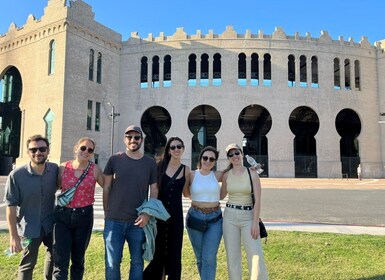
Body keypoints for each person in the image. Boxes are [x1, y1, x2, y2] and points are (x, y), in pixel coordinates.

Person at [103, 125, 159, 280]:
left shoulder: (150, 163)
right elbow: (106, 186)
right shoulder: (115, 159)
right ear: (124, 139)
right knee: (112, 263)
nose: (133, 140)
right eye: (129, 137)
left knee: (137, 262)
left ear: (142, 140)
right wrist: (106, 210)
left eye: (136, 137)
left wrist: (147, 213)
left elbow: (154, 190)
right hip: (114, 221)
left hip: (138, 222)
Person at [4, 134, 59, 280]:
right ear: (28, 152)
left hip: (51, 225)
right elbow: (10, 207)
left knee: (54, 258)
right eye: (33, 150)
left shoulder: (55, 169)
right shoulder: (16, 176)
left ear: (48, 151)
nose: (38, 153)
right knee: (27, 264)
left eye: (42, 149)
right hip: (29, 228)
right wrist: (14, 236)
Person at [52, 137, 104, 280]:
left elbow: (108, 187)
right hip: (62, 215)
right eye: (83, 148)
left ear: (92, 153)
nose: (86, 151)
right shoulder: (63, 167)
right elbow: (54, 187)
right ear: (76, 149)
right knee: (60, 259)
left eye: (90, 150)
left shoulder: (95, 170)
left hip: (84, 216)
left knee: (78, 258)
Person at [143, 137, 190, 280]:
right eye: (173, 147)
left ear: (183, 149)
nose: (176, 149)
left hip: (176, 217)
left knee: (175, 251)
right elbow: (154, 191)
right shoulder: (159, 167)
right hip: (159, 215)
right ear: (168, 150)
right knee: (159, 250)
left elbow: (187, 193)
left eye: (179, 147)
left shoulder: (186, 170)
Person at [220, 143, 269, 280]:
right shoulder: (226, 175)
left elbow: (258, 200)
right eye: (231, 154)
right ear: (228, 158)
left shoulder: (252, 173)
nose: (234, 156)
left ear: (242, 154)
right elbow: (220, 196)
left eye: (236, 153)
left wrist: (255, 223)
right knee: (232, 257)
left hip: (248, 216)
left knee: (255, 254)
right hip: (229, 216)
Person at [185, 146, 223, 280]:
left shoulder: (218, 175)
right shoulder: (192, 175)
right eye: (205, 158)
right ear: (200, 159)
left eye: (212, 159)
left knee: (209, 258)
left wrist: (253, 169)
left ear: (215, 161)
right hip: (195, 216)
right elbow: (185, 192)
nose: (208, 161)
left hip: (215, 219)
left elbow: (236, 172)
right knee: (200, 257)